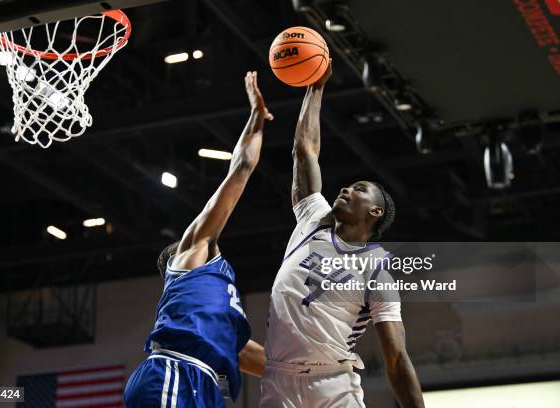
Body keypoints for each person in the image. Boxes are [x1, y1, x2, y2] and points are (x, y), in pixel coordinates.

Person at [260, 63, 425, 408]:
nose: (347, 188)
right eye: (349, 185)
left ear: (375, 212)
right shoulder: (313, 219)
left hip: (331, 385)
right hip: (277, 380)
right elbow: (304, 150)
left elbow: (396, 358)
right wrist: (315, 88)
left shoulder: (377, 268)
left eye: (359, 189)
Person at [124, 71, 271, 408]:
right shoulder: (191, 256)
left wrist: (316, 369)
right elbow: (241, 168)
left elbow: (250, 356)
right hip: (174, 370)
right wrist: (255, 121)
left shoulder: (217, 307)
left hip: (204, 384)